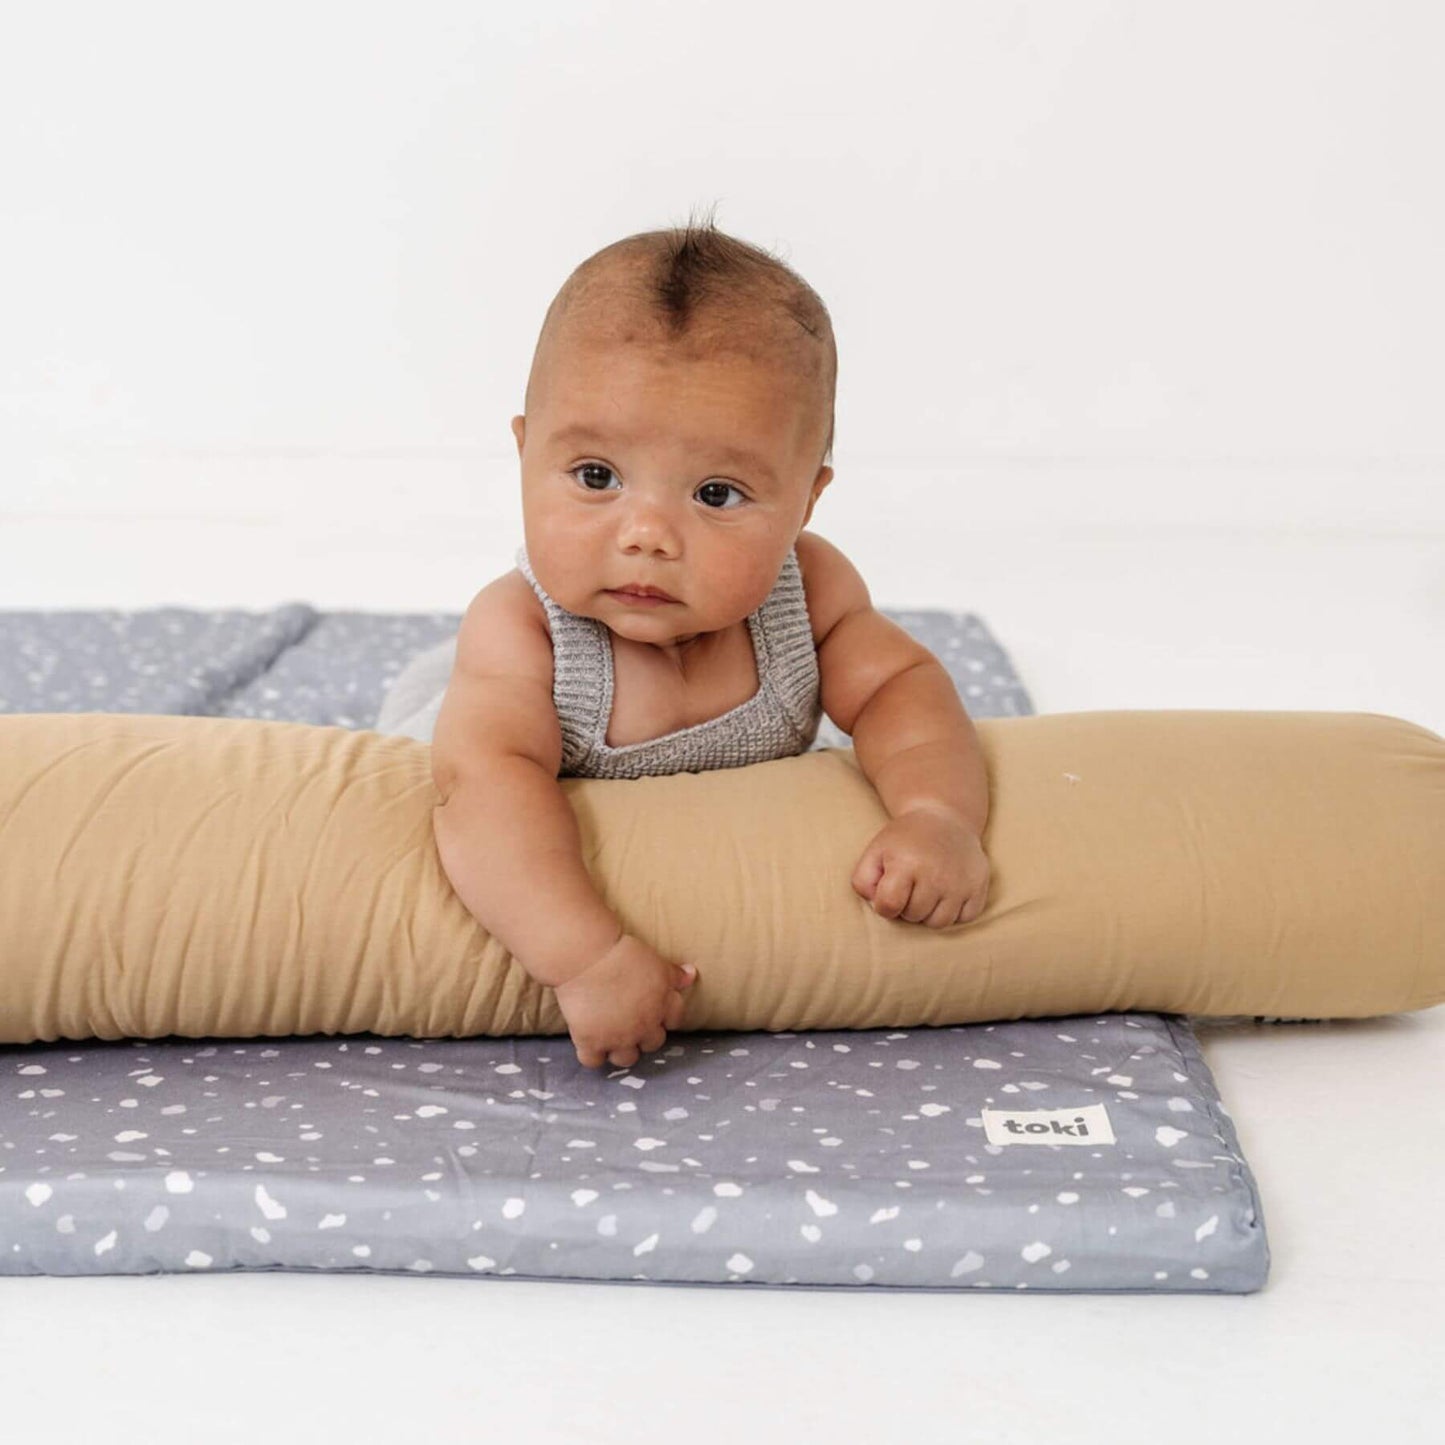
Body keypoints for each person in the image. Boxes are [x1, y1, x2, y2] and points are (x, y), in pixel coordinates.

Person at [415, 212, 992, 1069]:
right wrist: (583, 958)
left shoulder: (810, 593)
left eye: (717, 494)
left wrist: (938, 815)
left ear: (804, 500)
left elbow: (900, 688)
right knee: (427, 769)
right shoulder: (522, 627)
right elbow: (481, 791)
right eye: (596, 476)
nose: (648, 533)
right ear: (525, 451)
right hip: (458, 720)